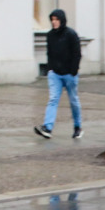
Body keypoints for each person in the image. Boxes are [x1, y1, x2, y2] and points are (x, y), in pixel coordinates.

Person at [34, 9, 82, 140]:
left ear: (62, 20)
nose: (54, 22)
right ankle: (47, 127)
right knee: (53, 99)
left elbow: (77, 53)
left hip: (69, 74)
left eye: (56, 19)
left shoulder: (71, 34)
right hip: (55, 74)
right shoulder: (50, 35)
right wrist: (50, 68)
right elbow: (49, 52)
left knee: (73, 101)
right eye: (52, 20)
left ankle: (78, 127)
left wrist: (73, 71)